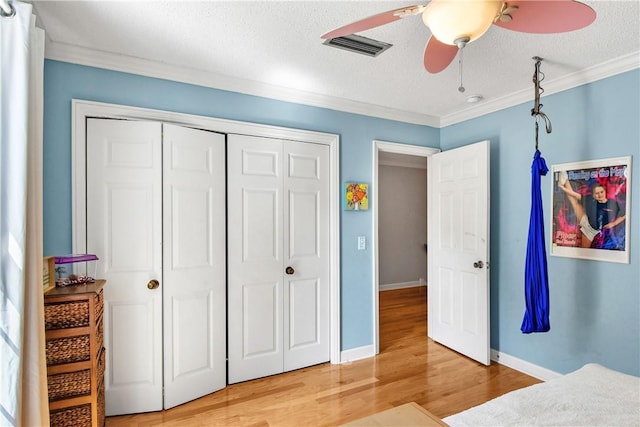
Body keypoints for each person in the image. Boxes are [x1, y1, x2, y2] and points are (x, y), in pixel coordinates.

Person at [557, 171, 625, 249]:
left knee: (584, 251)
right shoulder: (590, 200)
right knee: (574, 202)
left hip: (591, 231)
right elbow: (574, 195)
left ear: (605, 192)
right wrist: (562, 188)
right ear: (593, 195)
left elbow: (625, 214)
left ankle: (565, 179)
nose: (600, 195)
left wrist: (613, 224)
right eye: (597, 193)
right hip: (585, 220)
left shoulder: (612, 203)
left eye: (601, 192)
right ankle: (565, 178)